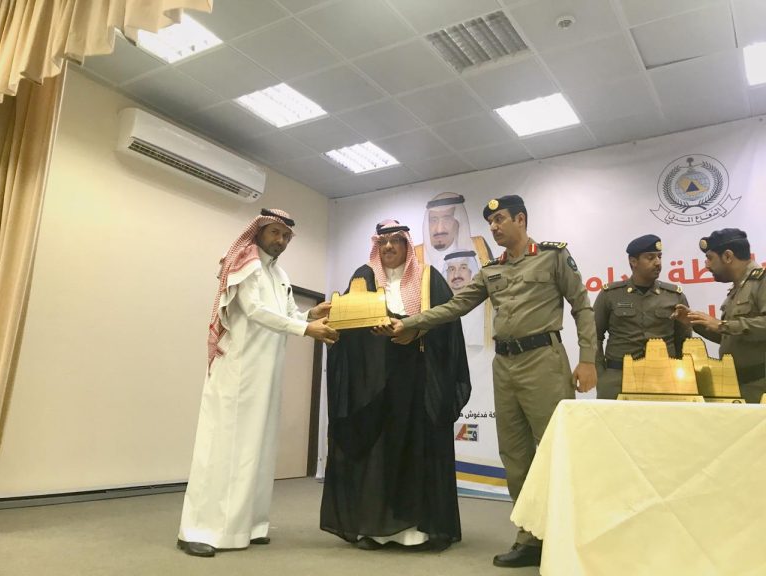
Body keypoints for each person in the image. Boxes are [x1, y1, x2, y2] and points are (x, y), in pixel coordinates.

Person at [384, 195, 597, 568]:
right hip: (505, 365)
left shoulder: (553, 256)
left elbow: (581, 306)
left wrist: (589, 359)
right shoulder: (491, 269)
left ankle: (569, 535)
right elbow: (456, 305)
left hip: (544, 362)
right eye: (490, 222)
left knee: (556, 451)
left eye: (500, 220)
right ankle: (530, 537)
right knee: (514, 455)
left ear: (521, 219)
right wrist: (409, 323)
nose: (494, 227)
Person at [178, 208, 338, 557]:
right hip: (236, 374)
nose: (280, 240)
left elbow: (286, 315)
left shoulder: (279, 273)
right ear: (260, 231)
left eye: (286, 236)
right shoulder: (245, 263)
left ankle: (248, 525)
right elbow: (254, 310)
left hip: (265, 376)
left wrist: (310, 315)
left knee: (257, 450)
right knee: (223, 451)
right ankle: (197, 529)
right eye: (275, 232)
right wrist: (305, 329)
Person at [320, 219, 471, 552]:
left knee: (416, 451)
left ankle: (416, 531)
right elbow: (346, 325)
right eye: (383, 242)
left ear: (406, 245)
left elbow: (447, 325)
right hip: (374, 386)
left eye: (396, 241)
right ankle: (376, 530)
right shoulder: (364, 278)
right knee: (379, 455)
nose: (388, 246)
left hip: (418, 382)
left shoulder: (429, 278)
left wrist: (414, 331)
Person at [674, 228, 766, 403]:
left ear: (728, 256)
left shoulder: (762, 281)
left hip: (760, 386)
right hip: (738, 384)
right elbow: (732, 338)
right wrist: (695, 323)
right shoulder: (737, 289)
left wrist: (722, 325)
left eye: (710, 258)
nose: (706, 266)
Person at [593, 234, 691, 399]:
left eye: (659, 257)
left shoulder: (674, 296)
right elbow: (593, 336)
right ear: (633, 261)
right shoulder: (610, 294)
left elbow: (684, 340)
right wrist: (601, 374)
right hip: (618, 377)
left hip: (664, 377)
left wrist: (681, 374)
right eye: (650, 257)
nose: (658, 262)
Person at [416, 192, 493, 271]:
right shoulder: (416, 254)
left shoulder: (479, 246)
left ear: (458, 223)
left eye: (446, 219)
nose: (439, 229)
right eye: (433, 220)